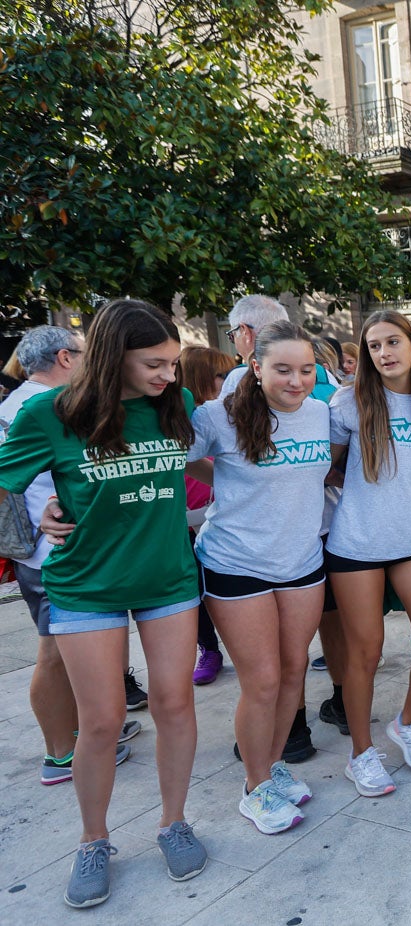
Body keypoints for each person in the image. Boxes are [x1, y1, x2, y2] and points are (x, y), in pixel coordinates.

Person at [0, 299, 207, 908]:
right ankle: (93, 839)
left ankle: (174, 823)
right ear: (114, 356)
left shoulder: (178, 406)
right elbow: (5, 481)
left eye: (173, 362)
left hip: (167, 579)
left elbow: (210, 465)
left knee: (174, 702)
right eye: (154, 363)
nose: (168, 374)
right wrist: (39, 520)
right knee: (101, 721)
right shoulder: (51, 413)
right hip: (84, 586)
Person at [189, 321, 329, 833]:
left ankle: (271, 770)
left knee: (293, 673)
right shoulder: (218, 416)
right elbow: (167, 461)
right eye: (283, 370)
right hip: (236, 564)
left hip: (302, 565)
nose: (297, 381)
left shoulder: (321, 415)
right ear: (256, 367)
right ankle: (254, 788)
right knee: (263, 681)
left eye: (307, 370)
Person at [0, 326, 140, 785]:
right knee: (54, 654)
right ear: (65, 357)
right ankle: (60, 752)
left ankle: (85, 732)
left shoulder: (19, 402)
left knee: (67, 655)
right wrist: (44, 512)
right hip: (52, 557)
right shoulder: (36, 407)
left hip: (61, 553)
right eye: (83, 353)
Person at [327, 310, 411, 796]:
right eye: (374, 345)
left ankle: (407, 722)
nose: (384, 353)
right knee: (366, 653)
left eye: (393, 342)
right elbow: (327, 467)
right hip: (356, 545)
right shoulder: (349, 402)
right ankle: (361, 754)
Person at [176, 346, 238, 688]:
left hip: (221, 519)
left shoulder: (230, 413)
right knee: (196, 592)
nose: (227, 380)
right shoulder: (183, 417)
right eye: (220, 374)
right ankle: (209, 650)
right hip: (184, 519)